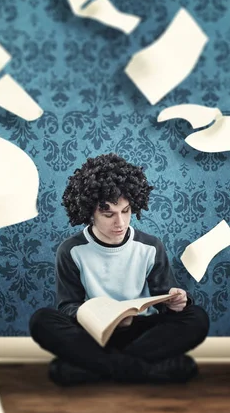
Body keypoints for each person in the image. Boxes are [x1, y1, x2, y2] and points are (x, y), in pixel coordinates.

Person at [29, 153, 209, 386]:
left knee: (197, 317)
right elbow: (67, 307)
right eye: (108, 214)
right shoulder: (71, 250)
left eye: (126, 211)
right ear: (89, 213)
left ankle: (99, 367)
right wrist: (103, 317)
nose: (121, 223)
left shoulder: (151, 246)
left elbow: (165, 302)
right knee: (41, 320)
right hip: (93, 334)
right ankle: (143, 370)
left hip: (142, 334)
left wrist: (177, 302)